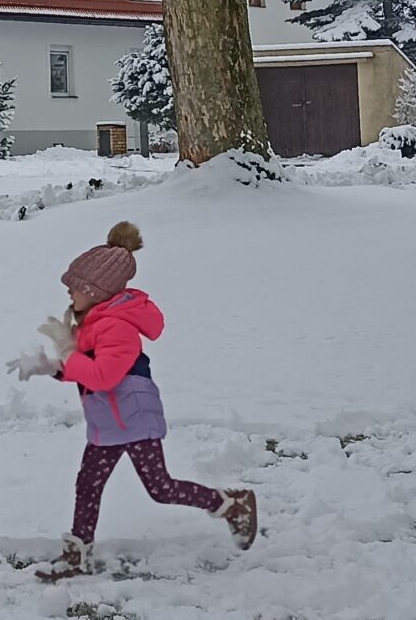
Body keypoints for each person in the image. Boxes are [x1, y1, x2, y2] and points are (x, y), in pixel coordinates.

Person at [41, 221, 255, 579]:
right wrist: (55, 367)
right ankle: (77, 555)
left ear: (94, 291)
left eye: (74, 287)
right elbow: (88, 367)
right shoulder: (95, 323)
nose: (69, 292)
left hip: (134, 419)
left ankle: (233, 505)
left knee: (160, 488)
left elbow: (104, 376)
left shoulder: (117, 327)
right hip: (109, 421)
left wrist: (68, 356)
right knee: (88, 484)